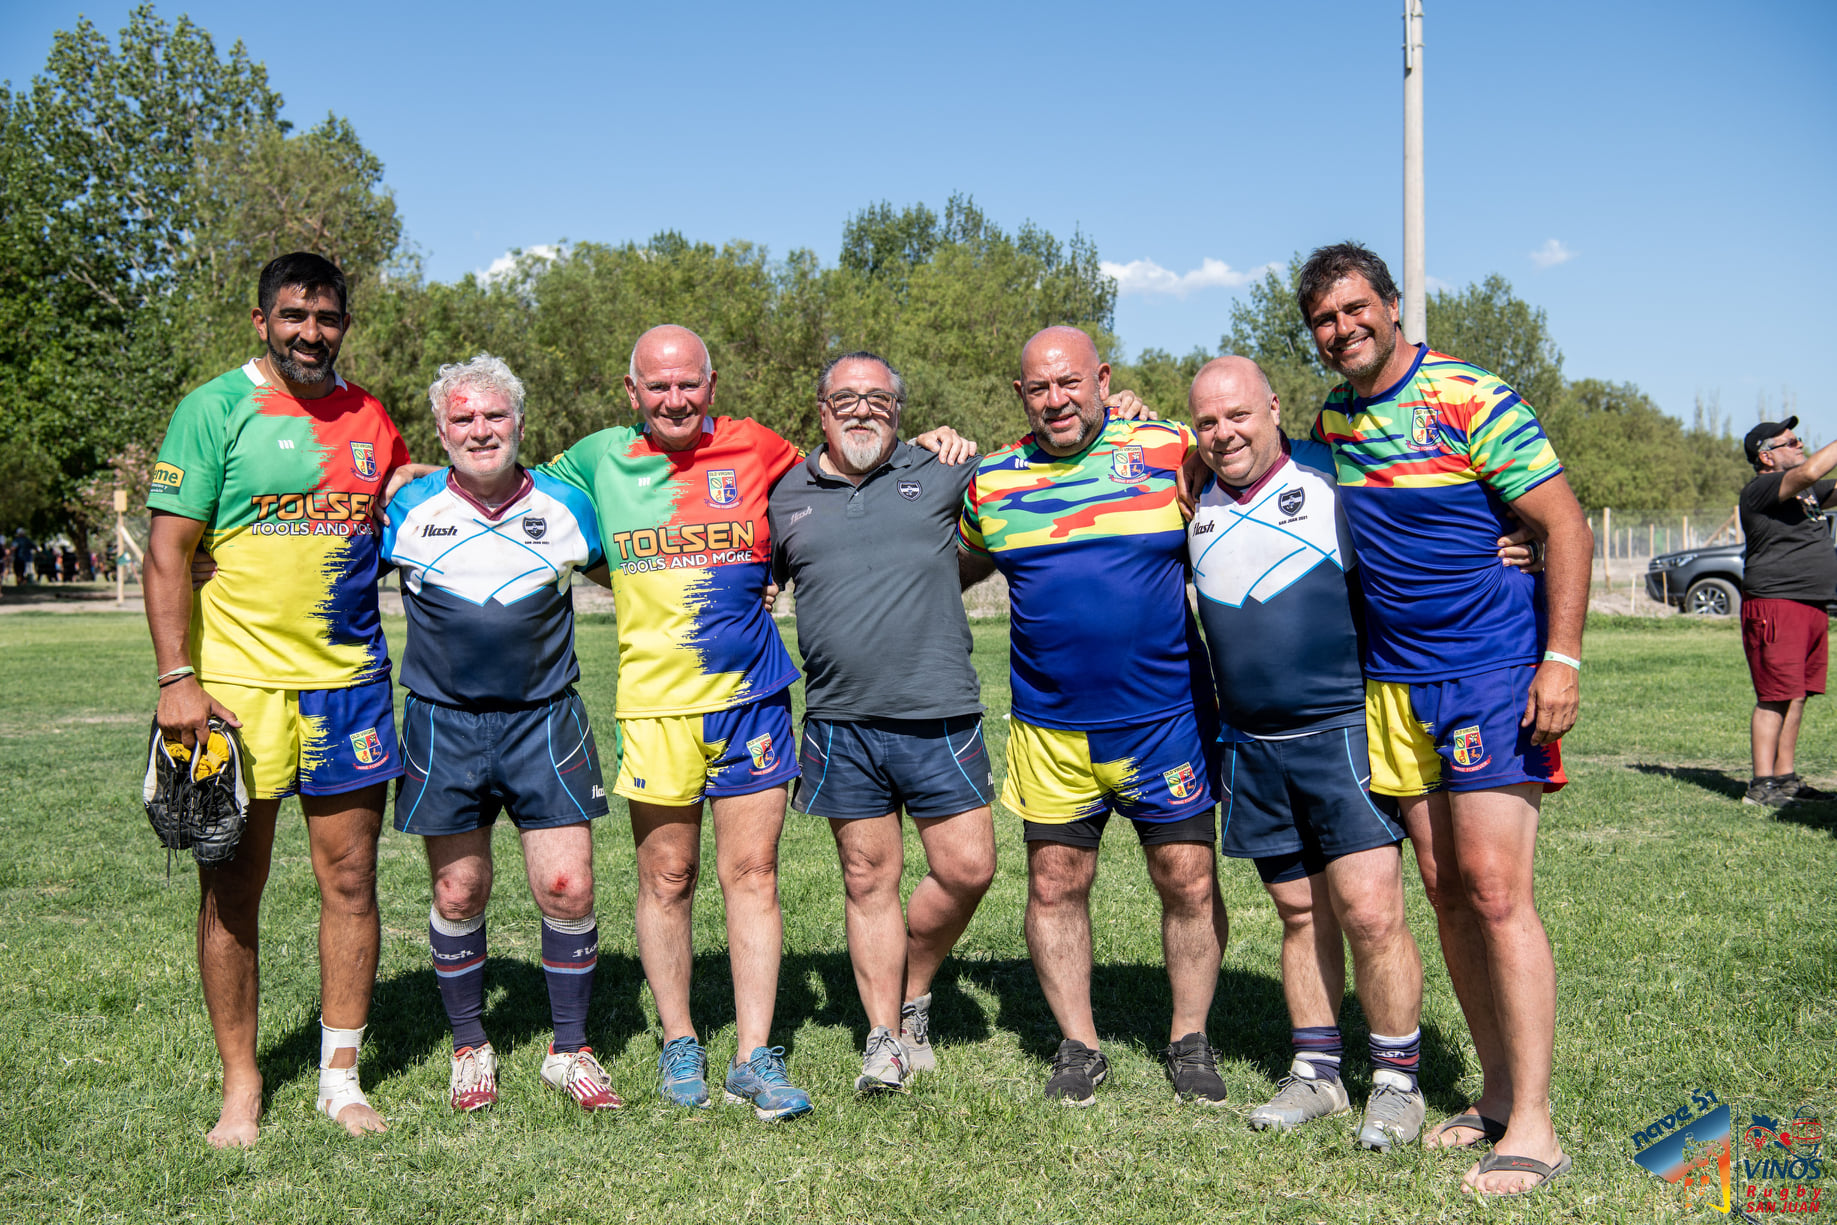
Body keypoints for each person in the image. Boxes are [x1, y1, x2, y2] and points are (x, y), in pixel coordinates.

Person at [1300, 241, 1593, 1195]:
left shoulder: (1469, 395)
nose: (1342, 330)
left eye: (1355, 310)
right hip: (1394, 683)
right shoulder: (1334, 419)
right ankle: (1499, 1092)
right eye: (1323, 321)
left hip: (1490, 671)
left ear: (1391, 305)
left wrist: (1560, 657)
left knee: (1496, 888)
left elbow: (1563, 523)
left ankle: (1538, 1127)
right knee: (1443, 886)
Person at [143, 252, 409, 1147]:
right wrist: (179, 676)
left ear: (344, 323)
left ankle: (341, 1076)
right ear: (262, 321)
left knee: (350, 880)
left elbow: (405, 514)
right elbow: (170, 553)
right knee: (232, 886)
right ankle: (243, 1083)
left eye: (326, 317)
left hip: (350, 687)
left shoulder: (371, 416)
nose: (310, 332)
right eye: (293, 315)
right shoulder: (214, 409)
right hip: (236, 694)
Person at [540, 324, 815, 1120]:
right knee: (667, 877)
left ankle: (754, 1051)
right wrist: (415, 477)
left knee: (752, 874)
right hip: (655, 706)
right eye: (656, 387)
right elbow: (505, 488)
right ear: (632, 393)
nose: (673, 399)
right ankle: (678, 1037)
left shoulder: (761, 446)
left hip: (752, 698)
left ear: (711, 383)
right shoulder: (595, 458)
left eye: (687, 383)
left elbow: (835, 489)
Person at [959, 326, 1229, 1108]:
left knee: (1186, 877)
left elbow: (1271, 482)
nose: (1056, 399)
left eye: (1070, 382)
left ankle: (1189, 1037)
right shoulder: (991, 483)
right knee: (1053, 882)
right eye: (1039, 388)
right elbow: (948, 561)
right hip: (1050, 727)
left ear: (1102, 378)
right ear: (1020, 396)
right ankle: (1078, 1043)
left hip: (1166, 717)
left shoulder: (1171, 448)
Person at [1185, 356, 1427, 1149]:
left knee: (1368, 911)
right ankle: (1316, 1073)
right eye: (1207, 421)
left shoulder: (1331, 482)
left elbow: (1429, 524)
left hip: (1340, 737)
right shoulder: (1189, 504)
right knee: (1297, 913)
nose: (1223, 433)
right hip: (1250, 748)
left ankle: (1396, 1082)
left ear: (1273, 407)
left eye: (1238, 415)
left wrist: (1515, 545)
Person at [381, 354, 622, 1113]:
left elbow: (643, 572)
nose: (480, 429)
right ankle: (469, 1045)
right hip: (441, 724)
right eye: (463, 418)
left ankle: (570, 1049)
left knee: (566, 884)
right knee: (458, 889)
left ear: (520, 423)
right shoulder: (403, 508)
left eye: (494, 416)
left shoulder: (569, 505)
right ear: (441, 430)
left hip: (544, 719)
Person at [768, 351, 997, 1093]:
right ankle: (882, 1038)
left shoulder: (942, 469)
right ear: (821, 408)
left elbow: (1035, 473)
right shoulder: (783, 492)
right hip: (840, 721)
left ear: (899, 409)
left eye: (877, 398)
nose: (861, 409)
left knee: (967, 868)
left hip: (939, 710)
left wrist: (1122, 414)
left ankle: (912, 990)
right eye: (845, 397)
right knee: (868, 879)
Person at [1736, 416, 1837, 808]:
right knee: (1774, 696)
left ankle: (1786, 780)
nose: (1799, 445)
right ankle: (1761, 787)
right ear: (1766, 456)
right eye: (1790, 442)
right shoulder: (1761, 489)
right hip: (1776, 602)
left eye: (1799, 439)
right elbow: (1812, 469)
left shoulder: (1806, 494)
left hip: (1811, 604)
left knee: (1797, 696)